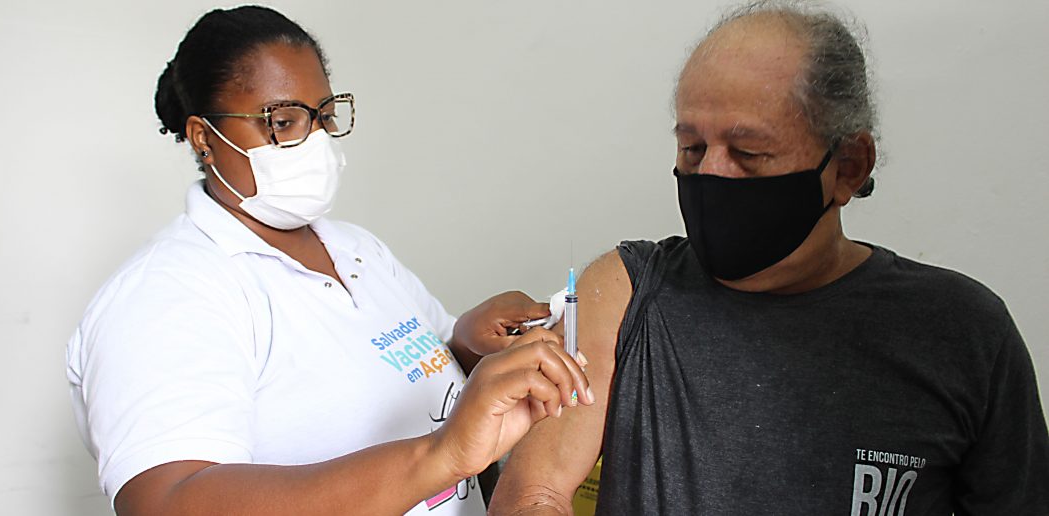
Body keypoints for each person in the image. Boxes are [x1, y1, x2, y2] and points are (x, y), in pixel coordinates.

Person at [489, 2, 1049, 515]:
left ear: (848, 167)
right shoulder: (627, 293)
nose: (711, 173)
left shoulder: (961, 333)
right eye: (692, 147)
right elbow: (534, 494)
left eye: (748, 152)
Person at [65, 6, 593, 515]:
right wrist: (440, 456)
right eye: (283, 121)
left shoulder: (357, 251)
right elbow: (165, 502)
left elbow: (407, 383)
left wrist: (466, 345)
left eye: (323, 116)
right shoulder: (167, 293)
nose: (314, 141)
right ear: (204, 138)